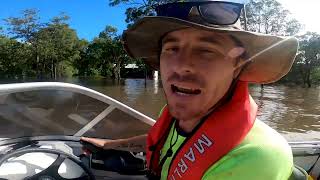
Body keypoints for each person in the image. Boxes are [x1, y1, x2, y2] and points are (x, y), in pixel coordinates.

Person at [81, 0, 301, 179]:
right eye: (172, 48)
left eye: (206, 50)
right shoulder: (176, 117)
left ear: (238, 65)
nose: (181, 65)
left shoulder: (257, 156)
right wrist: (110, 144)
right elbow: (161, 138)